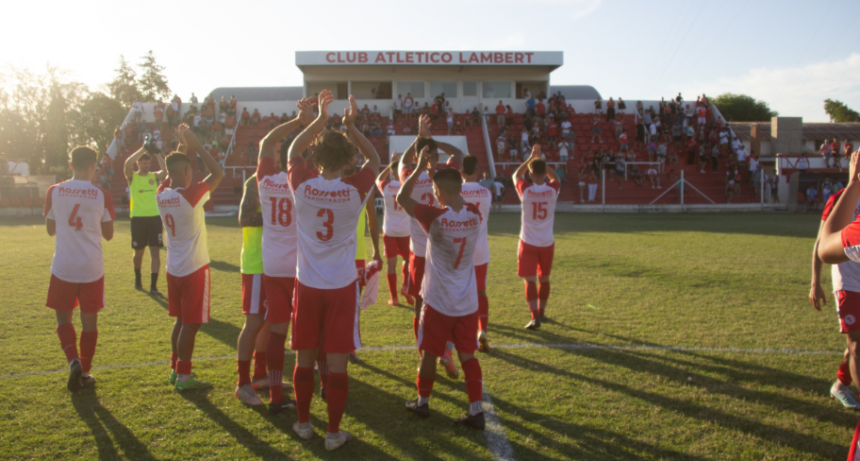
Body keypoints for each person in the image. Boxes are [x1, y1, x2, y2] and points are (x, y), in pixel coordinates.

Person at [285, 91, 379, 450]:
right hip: (341, 285)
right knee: (337, 364)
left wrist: (318, 119)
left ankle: (305, 424)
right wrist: (351, 126)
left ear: (317, 156)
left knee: (305, 357)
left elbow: (293, 150)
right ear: (349, 157)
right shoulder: (356, 189)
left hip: (307, 284)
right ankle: (334, 433)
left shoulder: (303, 185)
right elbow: (374, 157)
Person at [397, 147, 486, 429]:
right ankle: (476, 411)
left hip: (438, 300)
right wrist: (436, 174)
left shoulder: (433, 217)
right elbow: (451, 191)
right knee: (468, 356)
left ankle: (422, 403)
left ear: (437, 191)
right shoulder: (474, 213)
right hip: (467, 301)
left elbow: (402, 197)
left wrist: (422, 169)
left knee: (430, 353)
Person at [241, 99, 314, 412]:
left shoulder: (265, 180)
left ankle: (273, 392)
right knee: (303, 331)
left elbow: (268, 141)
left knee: (275, 328)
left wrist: (298, 121)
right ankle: (305, 387)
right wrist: (313, 123)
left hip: (272, 264)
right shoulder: (305, 183)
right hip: (300, 266)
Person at [158, 123, 224, 391]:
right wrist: (197, 147)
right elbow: (218, 172)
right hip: (194, 268)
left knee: (180, 322)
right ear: (186, 172)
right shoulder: (191, 195)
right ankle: (184, 375)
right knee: (191, 324)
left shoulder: (161, 193)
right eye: (190, 169)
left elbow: (170, 169)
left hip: (173, 267)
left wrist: (182, 147)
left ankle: (176, 368)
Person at [44, 147, 115, 392]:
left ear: (70, 164)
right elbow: (108, 235)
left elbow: (50, 230)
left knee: (63, 317)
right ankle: (84, 371)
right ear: (92, 166)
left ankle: (73, 360)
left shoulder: (54, 191)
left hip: (63, 266)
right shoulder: (101, 194)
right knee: (89, 322)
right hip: (91, 268)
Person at [399, 115, 465, 379]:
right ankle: (446, 353)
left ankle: (422, 354)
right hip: (444, 253)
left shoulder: (409, 175)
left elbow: (404, 162)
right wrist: (431, 140)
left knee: (420, 306)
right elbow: (459, 152)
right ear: (435, 158)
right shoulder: (446, 177)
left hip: (419, 254)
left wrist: (419, 141)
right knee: (449, 306)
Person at [815, 152, 860, 414]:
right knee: (856, 343)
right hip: (849, 282)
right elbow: (820, 245)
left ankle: (841, 383)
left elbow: (826, 244)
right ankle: (842, 385)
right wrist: (815, 281)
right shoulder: (839, 200)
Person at [234, 170, 274, 406]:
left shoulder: (281, 180)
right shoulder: (254, 181)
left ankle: (260, 375)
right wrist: (278, 216)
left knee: (268, 321)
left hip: (274, 263)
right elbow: (244, 217)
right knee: (254, 322)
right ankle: (242, 383)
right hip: (256, 263)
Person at [513, 145, 560, 329]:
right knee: (545, 278)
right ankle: (542, 312)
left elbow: (516, 175)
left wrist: (530, 159)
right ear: (544, 173)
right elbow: (556, 178)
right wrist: (541, 160)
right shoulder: (552, 190)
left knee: (530, 280)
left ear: (531, 174)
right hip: (547, 241)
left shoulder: (525, 189)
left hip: (528, 241)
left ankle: (534, 317)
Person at [124, 144, 167, 293]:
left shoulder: (153, 176)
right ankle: (138, 279)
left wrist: (157, 153)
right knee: (139, 253)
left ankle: (153, 286)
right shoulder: (133, 177)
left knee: (155, 252)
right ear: (139, 163)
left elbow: (165, 172)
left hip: (155, 218)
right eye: (144, 163)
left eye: (149, 163)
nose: (147, 165)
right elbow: (127, 164)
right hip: (138, 219)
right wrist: (143, 148)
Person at [460, 156, 493, 352]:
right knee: (481, 292)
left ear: (461, 172)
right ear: (478, 170)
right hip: (480, 250)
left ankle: (466, 335)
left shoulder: (455, 191)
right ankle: (484, 331)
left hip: (461, 251)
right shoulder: (487, 193)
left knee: (461, 295)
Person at [377, 155, 413, 306]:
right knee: (407, 259)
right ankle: (405, 286)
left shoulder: (386, 186)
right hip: (406, 230)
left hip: (390, 230)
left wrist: (389, 163)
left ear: (392, 173)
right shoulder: (408, 186)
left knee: (391, 264)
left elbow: (377, 178)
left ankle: (394, 298)